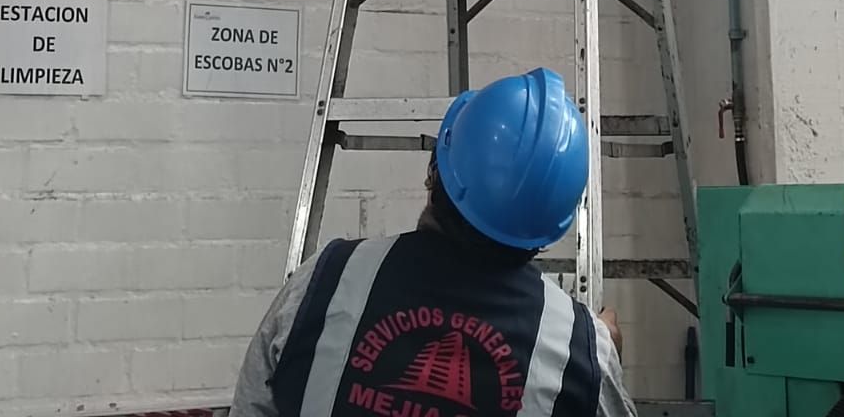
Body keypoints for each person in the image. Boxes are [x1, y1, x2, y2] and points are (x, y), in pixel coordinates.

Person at [229, 68, 638, 417]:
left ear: (435, 173)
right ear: (555, 225)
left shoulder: (322, 283)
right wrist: (594, 353)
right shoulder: (580, 351)